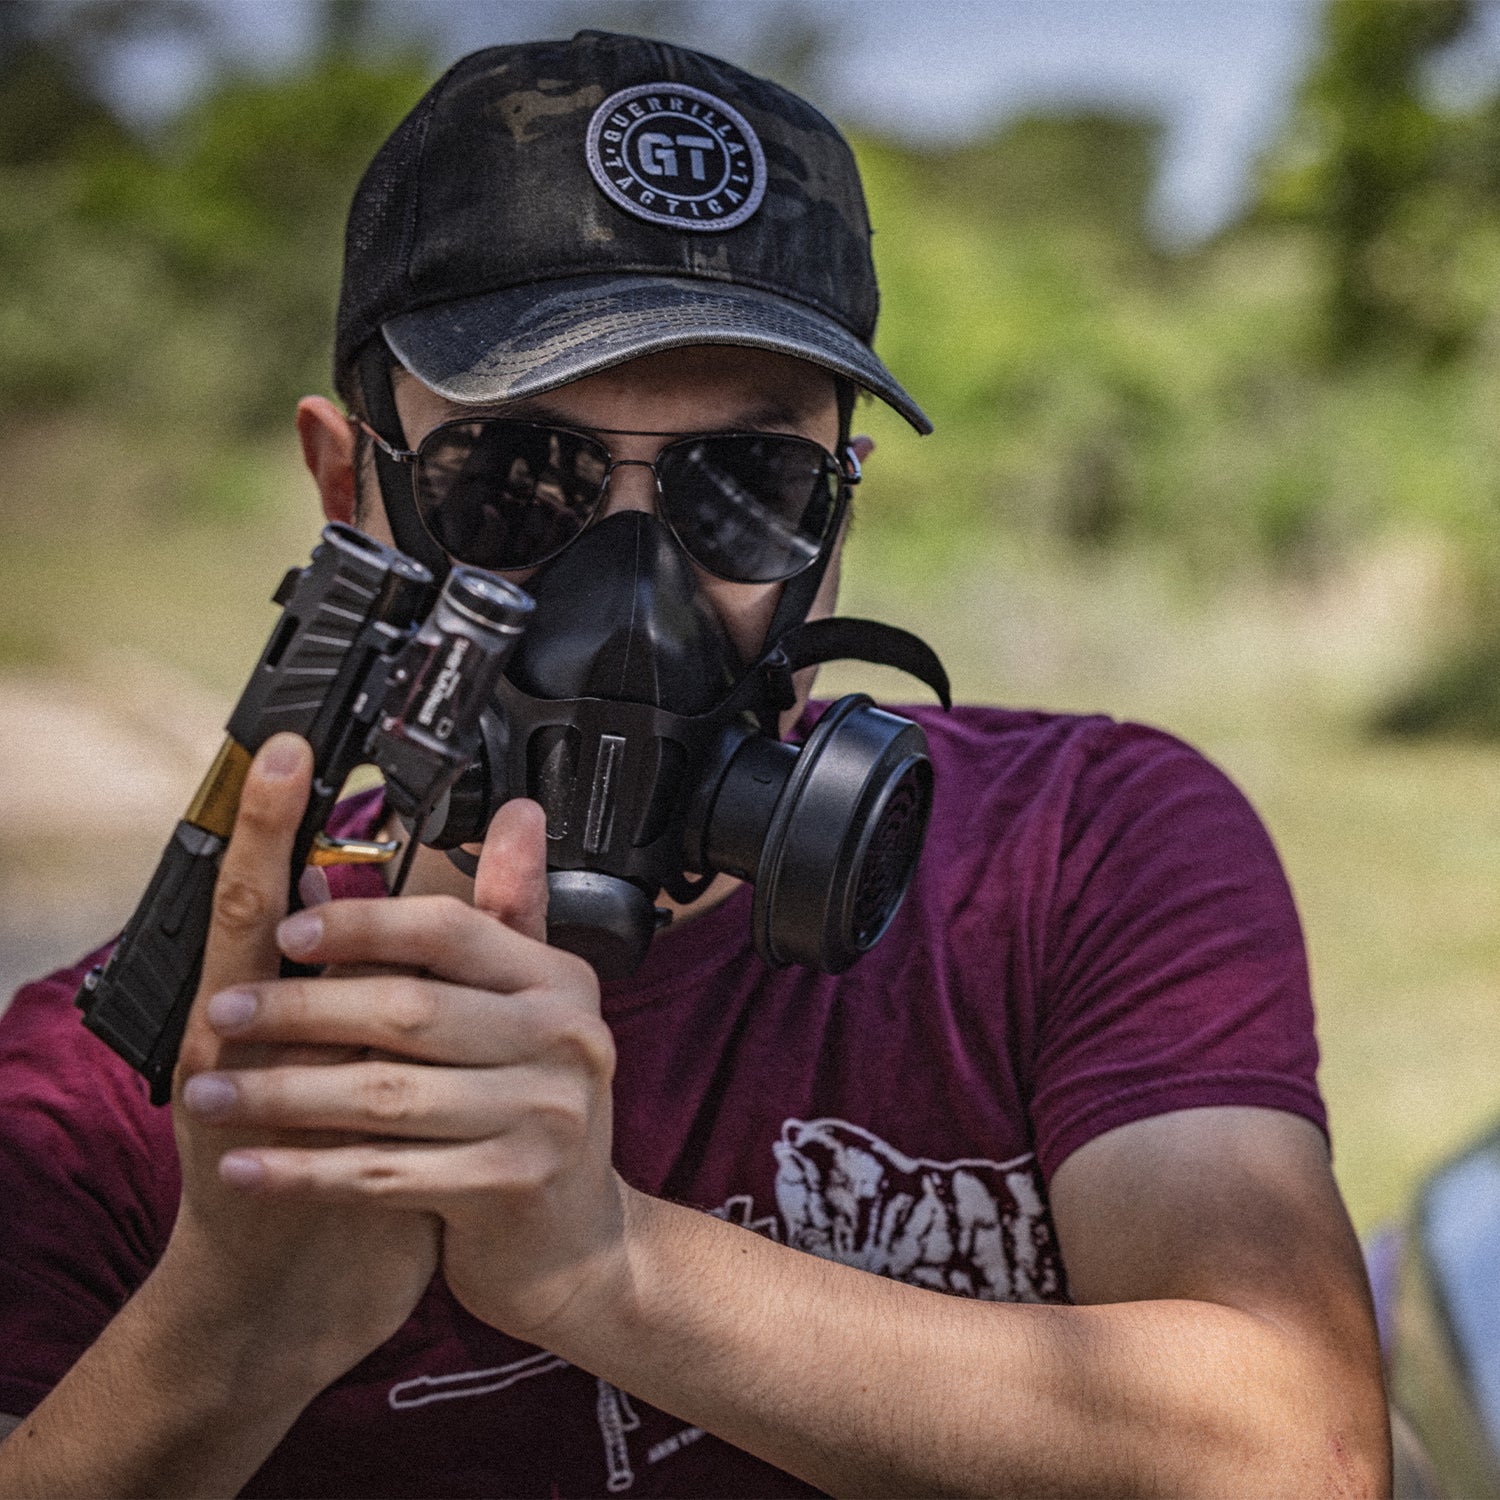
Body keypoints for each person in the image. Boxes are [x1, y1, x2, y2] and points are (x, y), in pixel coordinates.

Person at [0, 31, 1389, 1498]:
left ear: (836, 519)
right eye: (517, 475)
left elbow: (1294, 1453)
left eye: (749, 486)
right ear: (354, 493)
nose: (639, 592)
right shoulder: (136, 1085)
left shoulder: (1077, 853)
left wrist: (607, 1267)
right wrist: (228, 1330)